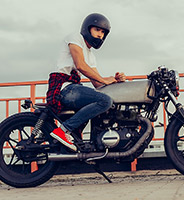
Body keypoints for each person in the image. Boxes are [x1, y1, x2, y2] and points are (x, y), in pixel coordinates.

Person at [46, 13, 126, 151]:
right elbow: (80, 65)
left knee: (106, 101)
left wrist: (115, 80)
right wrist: (104, 80)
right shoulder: (75, 38)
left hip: (74, 88)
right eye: (97, 30)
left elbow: (97, 84)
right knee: (105, 101)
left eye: (103, 32)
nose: (100, 35)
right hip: (64, 87)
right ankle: (63, 130)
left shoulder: (91, 55)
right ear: (87, 28)